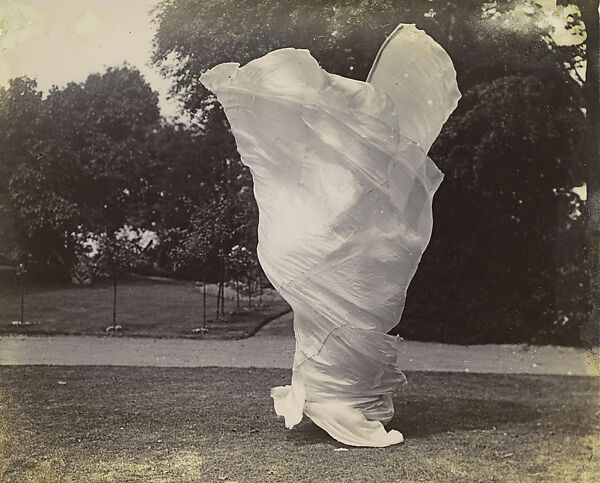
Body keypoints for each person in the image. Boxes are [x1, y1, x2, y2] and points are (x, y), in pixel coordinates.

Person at [201, 23, 460, 447]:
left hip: (326, 243)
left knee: (345, 311)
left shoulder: (352, 176)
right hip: (316, 244)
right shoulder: (342, 172)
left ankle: (337, 398)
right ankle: (335, 400)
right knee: (333, 311)